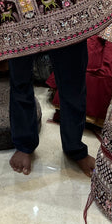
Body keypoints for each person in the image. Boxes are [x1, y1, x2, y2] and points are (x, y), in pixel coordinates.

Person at [8, 40, 96, 177]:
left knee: (73, 81)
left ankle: (74, 147)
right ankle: (24, 144)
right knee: (20, 78)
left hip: (66, 19)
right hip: (20, 21)